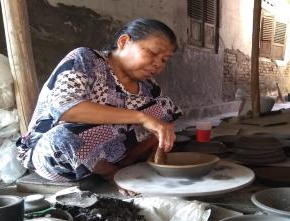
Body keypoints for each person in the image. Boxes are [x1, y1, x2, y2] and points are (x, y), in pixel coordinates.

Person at [16, 18, 182, 194]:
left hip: (108, 152)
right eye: (153, 53)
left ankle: (122, 167)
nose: (158, 64)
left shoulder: (149, 86)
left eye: (164, 60)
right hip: (56, 154)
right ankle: (111, 173)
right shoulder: (85, 59)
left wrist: (158, 147)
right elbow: (65, 108)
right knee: (63, 139)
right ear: (124, 42)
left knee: (165, 110)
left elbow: (163, 123)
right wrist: (141, 117)